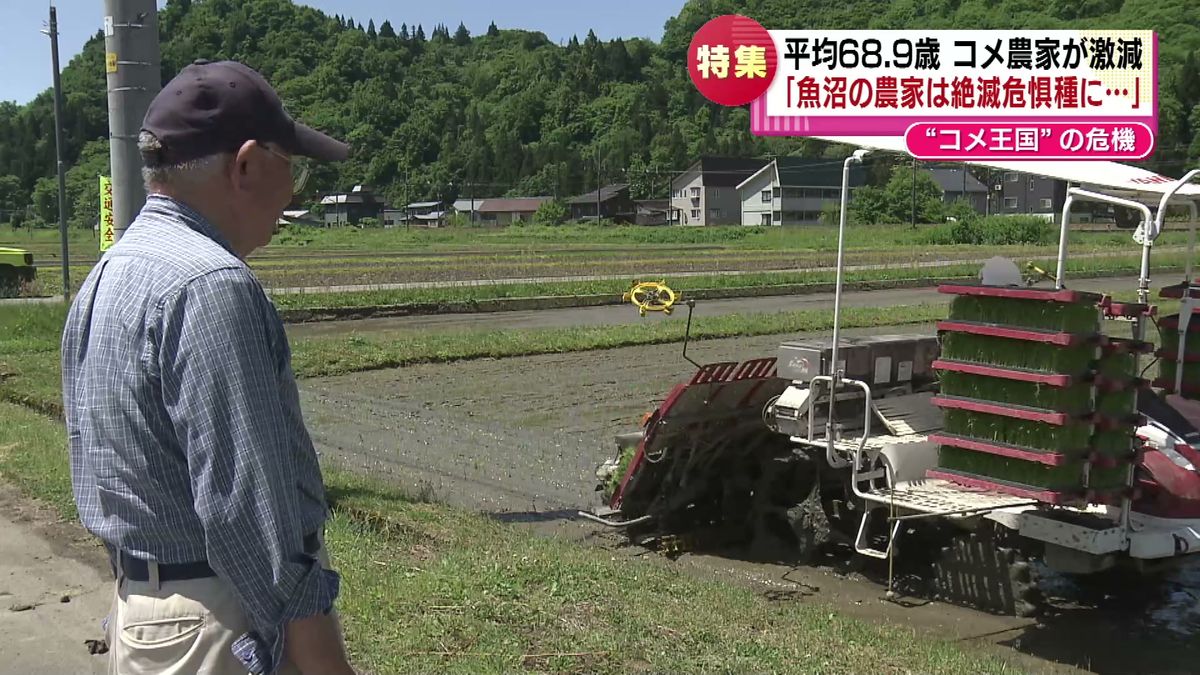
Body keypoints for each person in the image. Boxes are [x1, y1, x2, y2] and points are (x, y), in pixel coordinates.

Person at [61, 60, 356, 675]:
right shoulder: (212, 286)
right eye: (291, 165)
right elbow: (248, 510)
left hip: (142, 613)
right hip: (218, 620)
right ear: (245, 164)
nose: (295, 192)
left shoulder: (109, 275)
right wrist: (321, 657)